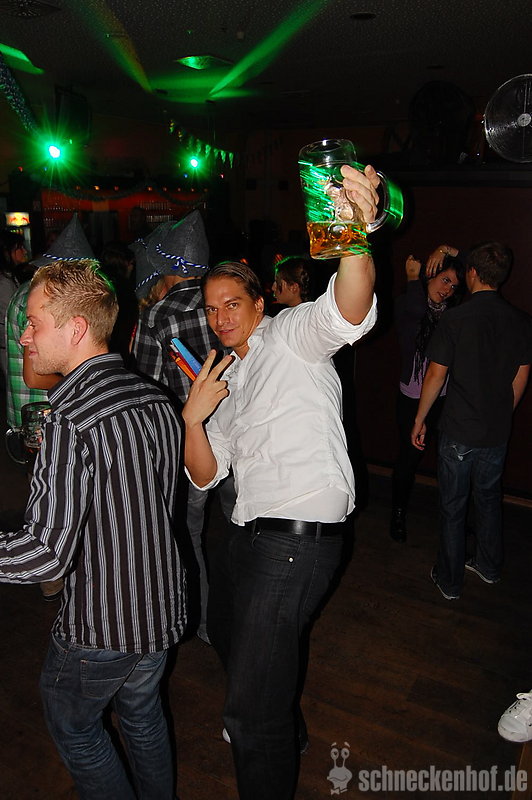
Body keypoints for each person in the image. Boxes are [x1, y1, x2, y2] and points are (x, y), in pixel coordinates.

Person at [182, 164, 380, 800]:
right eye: (211, 309)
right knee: (225, 630)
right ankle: (279, 722)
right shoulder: (230, 380)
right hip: (250, 535)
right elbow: (205, 473)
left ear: (260, 304)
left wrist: (355, 236)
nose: (220, 318)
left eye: (231, 304)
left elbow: (348, 308)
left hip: (296, 537)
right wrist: (194, 419)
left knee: (248, 711)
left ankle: (266, 728)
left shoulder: (290, 336)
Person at [0, 259, 186, 799]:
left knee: (75, 729)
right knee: (142, 716)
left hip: (102, 624)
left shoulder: (68, 417)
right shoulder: (155, 399)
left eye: (35, 323)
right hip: (161, 606)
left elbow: (45, 554)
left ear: (76, 328)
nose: (24, 337)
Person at [130, 210, 235, 644]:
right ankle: (242, 616)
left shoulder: (157, 317)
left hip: (187, 446)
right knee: (242, 528)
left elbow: (146, 393)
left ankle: (205, 624)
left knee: (188, 535)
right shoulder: (228, 304)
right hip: (237, 435)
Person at [411, 242, 532, 600]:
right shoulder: (521, 321)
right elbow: (521, 375)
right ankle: (489, 567)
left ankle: (450, 582)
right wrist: (501, 412)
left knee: (453, 507)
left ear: (473, 274)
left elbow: (435, 375)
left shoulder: (456, 318)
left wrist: (420, 418)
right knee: (489, 499)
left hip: (459, 430)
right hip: (496, 429)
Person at [390, 252, 463, 541]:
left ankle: (453, 521)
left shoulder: (453, 315)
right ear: (429, 276)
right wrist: (412, 280)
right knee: (408, 459)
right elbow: (414, 312)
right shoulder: (408, 303)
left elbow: (477, 265)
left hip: (444, 398)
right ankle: (397, 513)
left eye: (454, 286)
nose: (448, 290)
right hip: (411, 396)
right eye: (445, 280)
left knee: (450, 459)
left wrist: (447, 250)